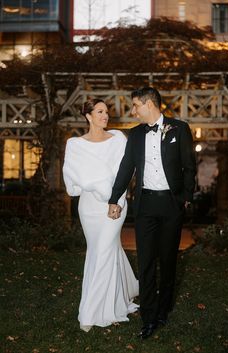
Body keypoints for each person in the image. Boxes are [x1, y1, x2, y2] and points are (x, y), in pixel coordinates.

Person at [108, 87, 196, 339]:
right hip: (145, 205)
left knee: (168, 260)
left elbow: (189, 165)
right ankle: (148, 316)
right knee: (145, 261)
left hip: (171, 204)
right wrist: (114, 197)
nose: (132, 110)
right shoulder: (134, 135)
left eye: (135, 105)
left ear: (149, 104)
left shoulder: (179, 129)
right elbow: (126, 168)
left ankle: (163, 310)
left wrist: (186, 197)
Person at [62, 98, 138, 332]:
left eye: (107, 111)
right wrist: (94, 182)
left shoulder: (118, 140)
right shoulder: (75, 144)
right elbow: (74, 178)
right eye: (100, 111)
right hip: (89, 207)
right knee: (101, 251)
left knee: (103, 252)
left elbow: (124, 172)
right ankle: (118, 301)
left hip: (114, 205)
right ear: (88, 116)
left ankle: (90, 311)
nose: (106, 115)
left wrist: (114, 199)